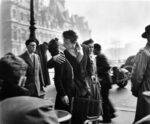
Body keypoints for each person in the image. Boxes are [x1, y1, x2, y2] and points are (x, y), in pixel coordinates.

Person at [47, 38, 75, 112]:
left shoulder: (61, 56)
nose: (63, 44)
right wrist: (63, 95)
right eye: (60, 43)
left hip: (67, 91)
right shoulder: (60, 58)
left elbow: (48, 64)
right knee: (63, 115)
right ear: (58, 47)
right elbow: (57, 79)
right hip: (65, 92)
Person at [131, 25, 150, 124]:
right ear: (148, 36)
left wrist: (135, 90)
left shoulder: (145, 52)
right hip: (147, 90)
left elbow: (136, 76)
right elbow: (137, 75)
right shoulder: (144, 53)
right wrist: (136, 90)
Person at [94, 43, 115, 123]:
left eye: (94, 49)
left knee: (104, 101)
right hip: (106, 81)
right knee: (105, 99)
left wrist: (95, 70)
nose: (93, 51)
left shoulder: (100, 57)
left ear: (97, 49)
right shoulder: (101, 56)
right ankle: (111, 113)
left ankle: (107, 119)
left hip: (104, 81)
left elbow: (106, 66)